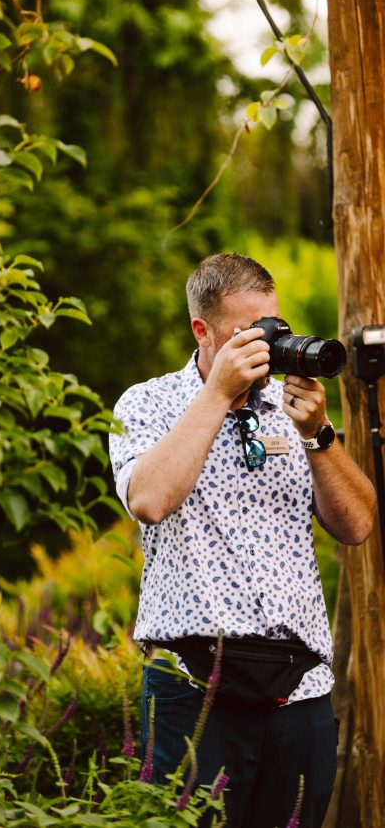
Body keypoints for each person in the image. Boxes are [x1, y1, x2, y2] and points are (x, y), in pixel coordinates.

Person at [109, 253, 376, 828]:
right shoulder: (146, 403)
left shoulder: (290, 410)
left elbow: (357, 526)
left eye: (272, 329)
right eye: (247, 335)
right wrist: (216, 397)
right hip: (194, 694)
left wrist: (319, 436)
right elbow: (150, 500)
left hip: (300, 694)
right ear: (201, 331)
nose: (266, 346)